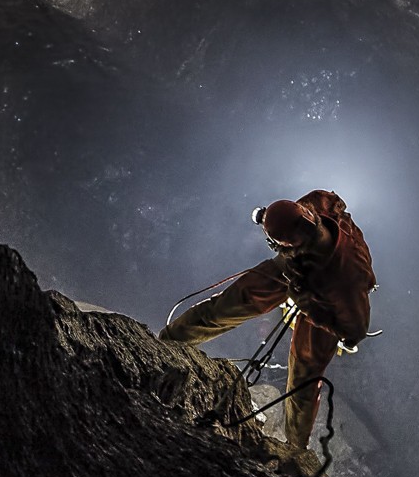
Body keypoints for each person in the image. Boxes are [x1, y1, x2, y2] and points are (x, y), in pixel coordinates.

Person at [160, 190, 375, 448]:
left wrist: (308, 305)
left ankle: (295, 447)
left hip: (322, 299)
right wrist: (268, 219)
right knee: (233, 302)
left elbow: (354, 330)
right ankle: (170, 341)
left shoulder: (344, 279)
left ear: (293, 245)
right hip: (294, 270)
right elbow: (329, 204)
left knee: (305, 373)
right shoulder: (317, 204)